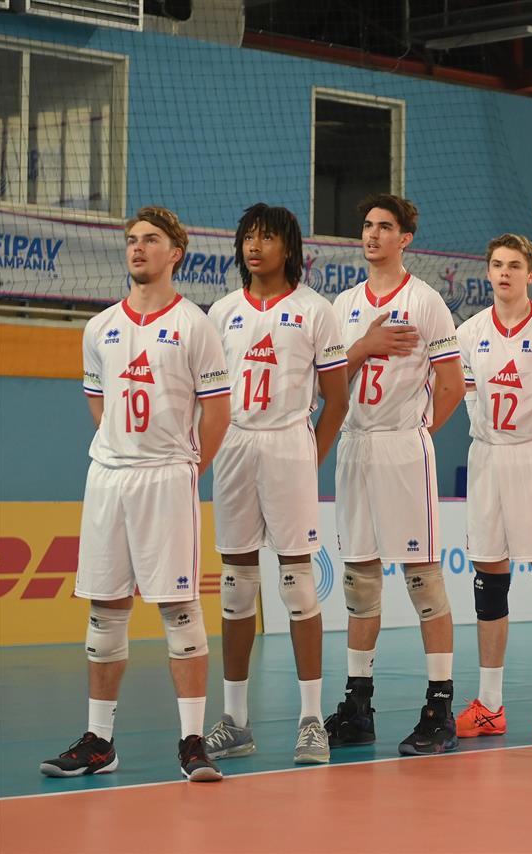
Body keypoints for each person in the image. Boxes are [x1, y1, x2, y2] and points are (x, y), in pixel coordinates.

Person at [41, 206, 230, 782]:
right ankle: (100, 742)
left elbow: (218, 412)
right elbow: (97, 399)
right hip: (108, 478)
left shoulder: (195, 324)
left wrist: (188, 467)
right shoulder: (99, 327)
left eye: (150, 239)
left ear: (176, 253)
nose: (137, 247)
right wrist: (119, 447)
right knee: (105, 611)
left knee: (180, 610)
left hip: (167, 477)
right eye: (131, 239)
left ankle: (192, 742)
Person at [203, 204, 348, 765]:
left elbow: (337, 399)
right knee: (236, 586)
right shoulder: (222, 312)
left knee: (297, 585)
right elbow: (208, 397)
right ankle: (235, 721)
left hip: (289, 443)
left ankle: (311, 720)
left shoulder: (315, 310)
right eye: (248, 237)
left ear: (289, 247)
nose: (254, 246)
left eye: (266, 237)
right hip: (235, 446)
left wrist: (310, 457)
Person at [322, 195, 466, 755]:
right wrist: (364, 346)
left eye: (384, 227)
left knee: (423, 579)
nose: (372, 234)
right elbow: (329, 385)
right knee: (359, 579)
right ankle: (358, 705)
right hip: (355, 445)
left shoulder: (425, 301)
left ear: (405, 238)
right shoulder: (344, 304)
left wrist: (419, 433)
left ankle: (440, 708)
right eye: (366, 226)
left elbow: (452, 384)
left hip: (404, 448)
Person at [455, 234, 532, 745]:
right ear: (488, 272)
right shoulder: (469, 331)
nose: (504, 272)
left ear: (531, 274)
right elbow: (468, 397)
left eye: (513, 265)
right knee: (489, 575)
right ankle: (490, 705)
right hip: (487, 456)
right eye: (496, 264)